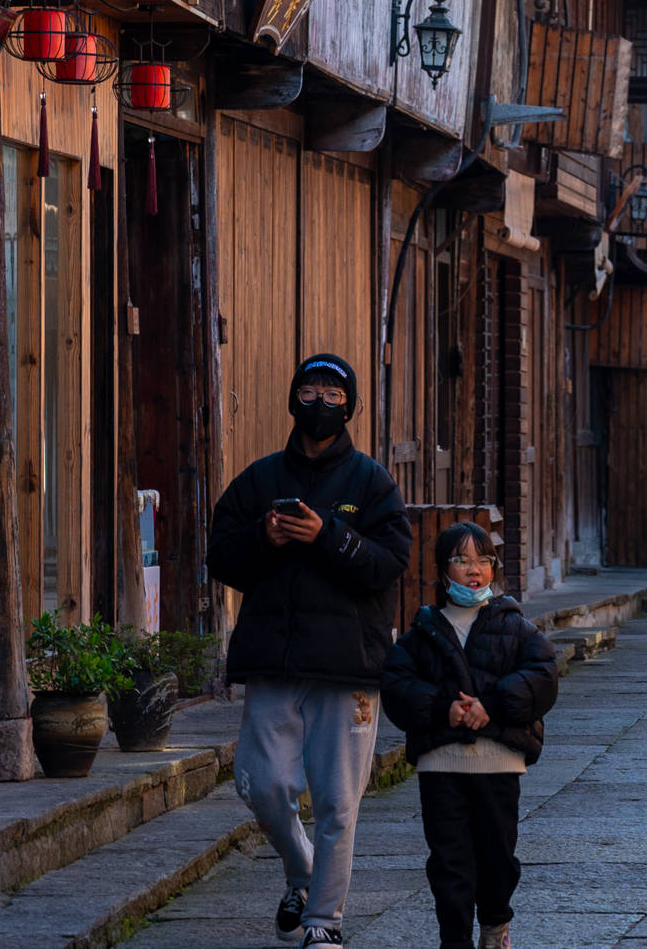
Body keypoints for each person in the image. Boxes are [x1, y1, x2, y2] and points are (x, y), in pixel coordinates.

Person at [207, 353, 416, 947]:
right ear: (293, 396)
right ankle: (300, 869)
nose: (320, 400)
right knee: (261, 783)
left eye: (332, 392)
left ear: (349, 407)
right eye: (309, 388)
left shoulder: (372, 482)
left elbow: (387, 566)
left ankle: (324, 920)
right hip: (273, 659)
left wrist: (329, 537)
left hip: (350, 665)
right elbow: (219, 557)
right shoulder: (259, 478)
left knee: (337, 802)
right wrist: (264, 539)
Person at [381, 520, 561, 949]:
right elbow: (397, 685)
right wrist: (444, 708)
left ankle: (495, 925)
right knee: (450, 860)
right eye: (462, 560)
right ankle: (454, 940)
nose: (473, 569)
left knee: (498, 857)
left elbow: (544, 675)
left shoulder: (515, 625)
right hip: (441, 764)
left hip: (498, 761)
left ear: (494, 568)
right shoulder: (422, 631)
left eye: (483, 559)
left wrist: (491, 706)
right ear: (444, 570)